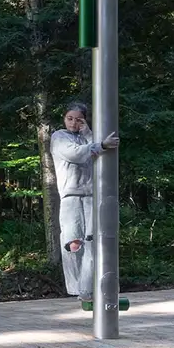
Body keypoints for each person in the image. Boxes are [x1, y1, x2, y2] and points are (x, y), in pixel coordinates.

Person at [50, 103, 118, 301]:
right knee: (74, 242)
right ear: (64, 119)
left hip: (91, 196)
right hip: (71, 196)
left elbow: (99, 155)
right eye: (69, 118)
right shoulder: (59, 137)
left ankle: (88, 290)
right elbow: (77, 154)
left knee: (93, 242)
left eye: (78, 119)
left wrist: (89, 133)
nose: (73, 122)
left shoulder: (88, 138)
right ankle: (77, 287)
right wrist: (101, 145)